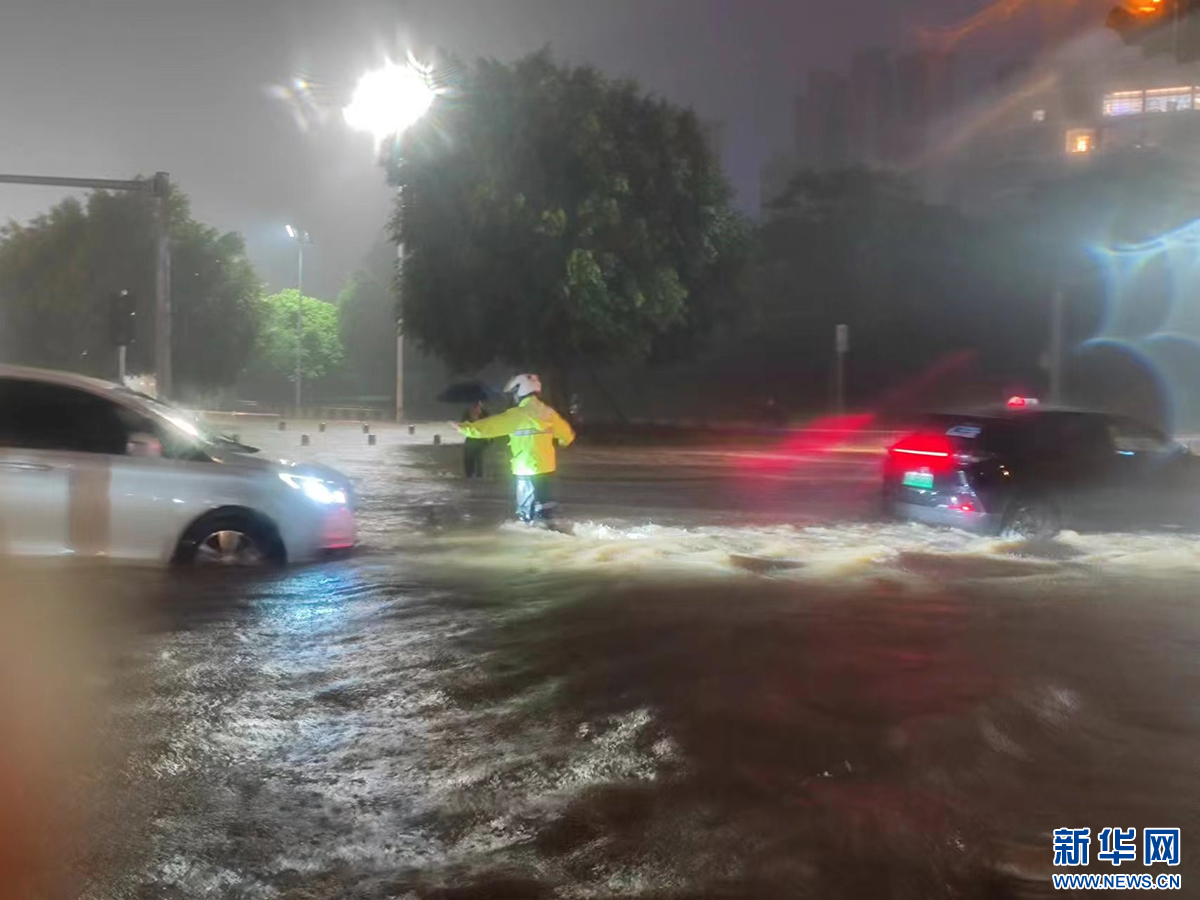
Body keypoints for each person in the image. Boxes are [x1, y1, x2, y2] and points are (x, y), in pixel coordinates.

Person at [453, 373, 576, 524]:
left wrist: (464, 428)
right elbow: (568, 436)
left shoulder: (518, 415)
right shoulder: (549, 413)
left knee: (526, 516)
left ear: (521, 391)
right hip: (547, 470)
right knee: (545, 510)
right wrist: (560, 442)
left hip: (526, 471)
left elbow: (490, 427)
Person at [460, 399, 489, 478]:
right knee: (469, 457)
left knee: (478, 457)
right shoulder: (468, 412)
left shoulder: (484, 413)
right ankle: (470, 474)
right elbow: (463, 424)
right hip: (472, 437)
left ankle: (478, 474)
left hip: (480, 438)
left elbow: (488, 425)